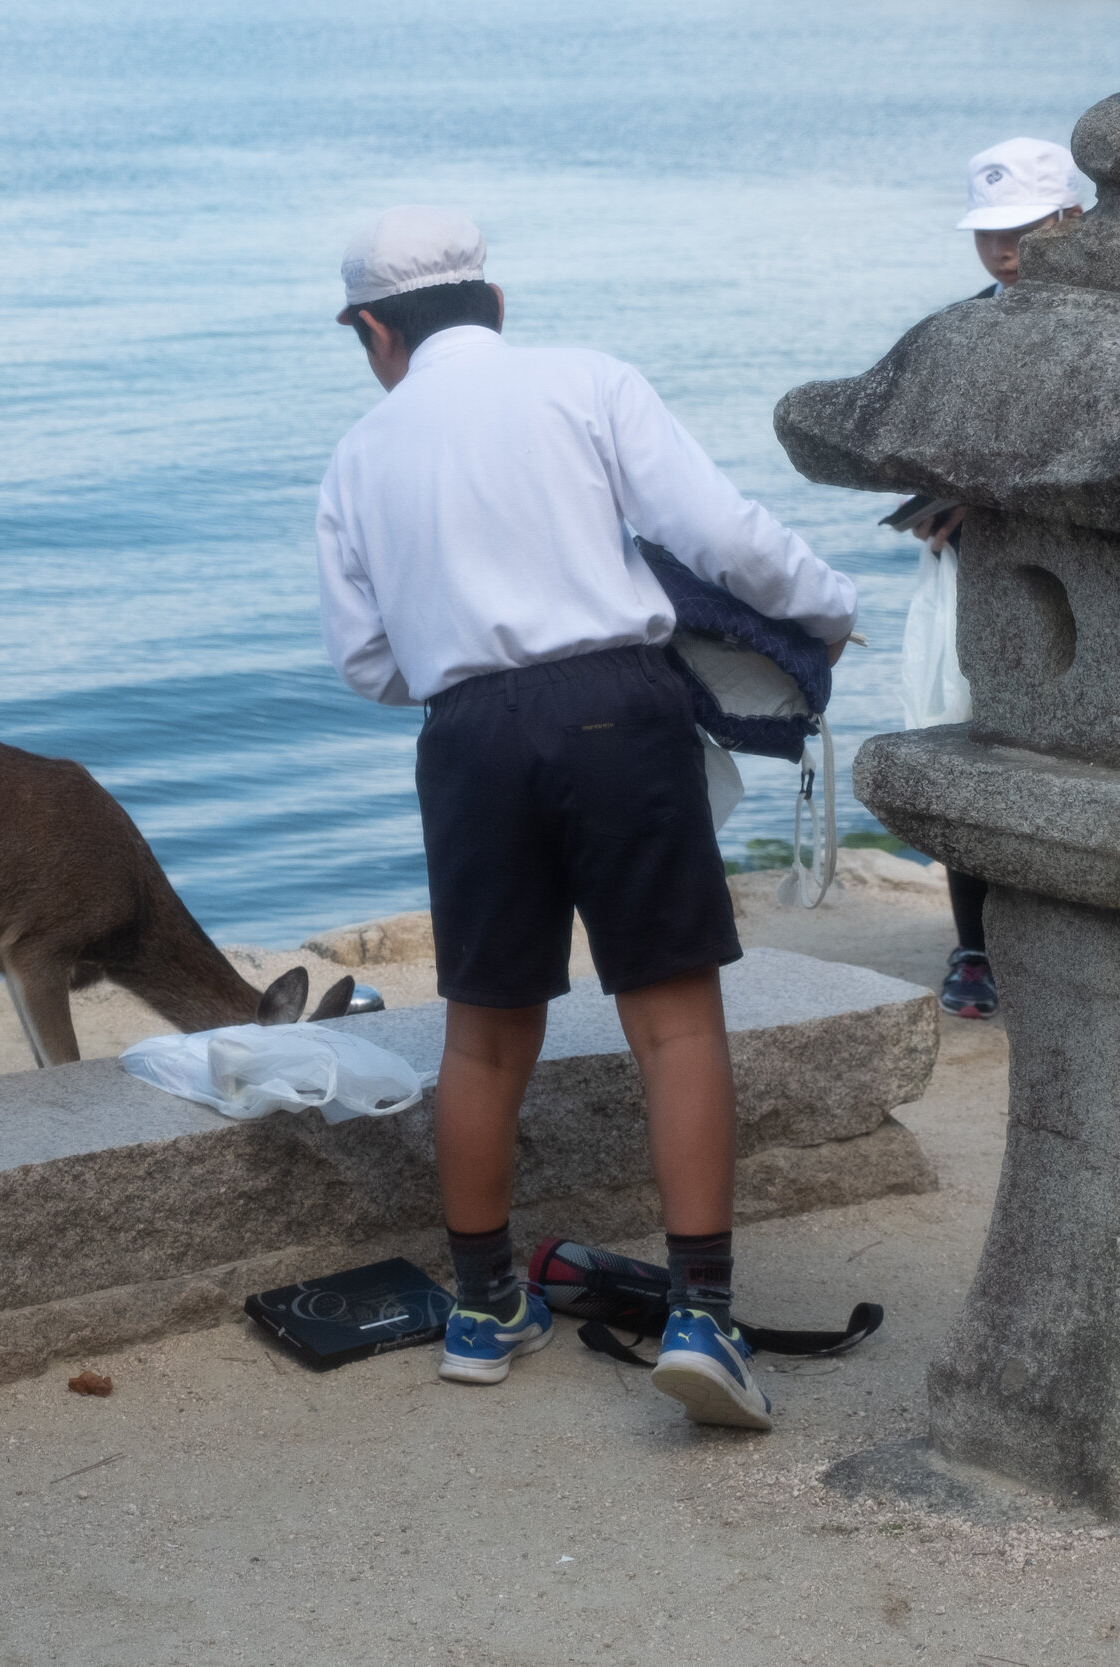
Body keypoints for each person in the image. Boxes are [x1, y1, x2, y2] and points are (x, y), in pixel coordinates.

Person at [315, 206, 857, 1431]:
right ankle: (703, 1315)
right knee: (671, 1023)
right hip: (615, 706)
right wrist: (828, 605)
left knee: (481, 1035)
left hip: (465, 735)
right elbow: (719, 536)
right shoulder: (588, 382)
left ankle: (480, 1306)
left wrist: (468, 668)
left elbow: (364, 661)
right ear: (494, 303)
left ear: (371, 332)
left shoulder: (358, 455)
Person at [896, 138, 1086, 1021]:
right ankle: (975, 942)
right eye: (988, 232)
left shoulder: (1119, 328)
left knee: (1073, 759)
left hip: (1086, 585)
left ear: (1072, 219)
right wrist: (940, 502)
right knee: (974, 749)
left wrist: (978, 494)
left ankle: (1071, 930)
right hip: (982, 580)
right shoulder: (966, 326)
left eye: (1023, 228)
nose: (1003, 250)